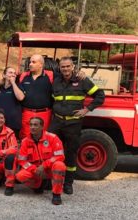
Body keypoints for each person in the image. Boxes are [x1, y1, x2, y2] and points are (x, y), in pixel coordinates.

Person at [48, 57, 105, 195]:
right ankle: (50, 180)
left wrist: (86, 110)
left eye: (68, 66)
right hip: (57, 122)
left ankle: (68, 184)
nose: (65, 69)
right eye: (63, 67)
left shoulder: (82, 80)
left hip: (73, 124)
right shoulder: (55, 81)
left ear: (73, 67)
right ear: (59, 68)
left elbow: (100, 95)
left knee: (71, 153)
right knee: (49, 150)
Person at [16, 117, 66, 205]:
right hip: (36, 170)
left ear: (42, 126)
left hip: (49, 169)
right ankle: (38, 186)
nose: (32, 127)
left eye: (35, 125)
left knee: (60, 165)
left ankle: (56, 194)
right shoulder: (25, 141)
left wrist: (44, 165)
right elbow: (22, 161)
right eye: (30, 125)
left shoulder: (53, 138)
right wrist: (34, 169)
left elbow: (60, 156)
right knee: (20, 176)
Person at [18, 54, 54, 140]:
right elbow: (9, 79)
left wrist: (80, 73)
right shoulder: (23, 76)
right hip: (27, 113)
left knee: (43, 138)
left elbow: (66, 76)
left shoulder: (51, 75)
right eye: (30, 62)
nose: (30, 64)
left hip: (44, 113)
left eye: (33, 62)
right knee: (26, 138)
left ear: (41, 64)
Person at [0, 67, 24, 138]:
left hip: (13, 123)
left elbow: (21, 98)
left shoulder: (18, 86)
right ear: (4, 75)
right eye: (10, 72)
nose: (13, 75)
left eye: (14, 73)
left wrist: (13, 83)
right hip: (0, 122)